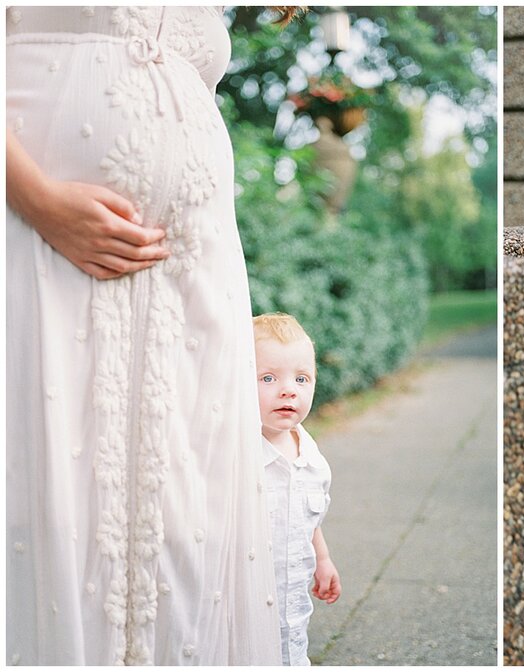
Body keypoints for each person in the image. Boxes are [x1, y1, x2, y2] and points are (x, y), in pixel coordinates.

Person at [5, 6, 299, 664]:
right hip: (35, 240)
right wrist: (34, 197)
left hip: (194, 277)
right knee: (54, 494)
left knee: (188, 520)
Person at [254, 313, 342, 666]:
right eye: (268, 377)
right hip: (249, 603)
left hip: (293, 604)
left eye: (301, 378)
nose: (288, 389)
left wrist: (322, 559)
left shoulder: (313, 460)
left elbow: (309, 519)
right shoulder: (239, 459)